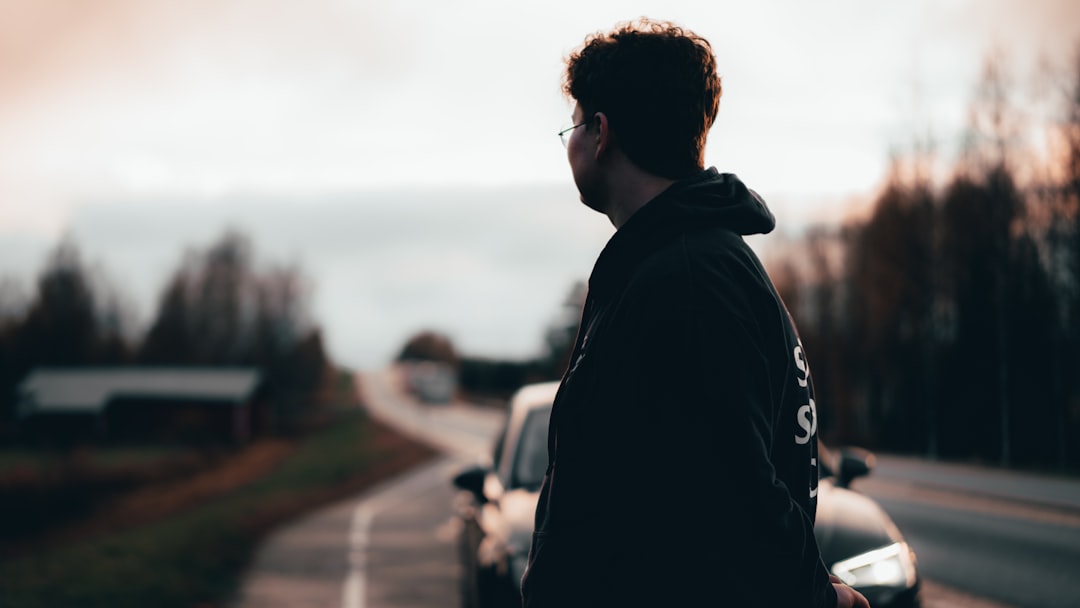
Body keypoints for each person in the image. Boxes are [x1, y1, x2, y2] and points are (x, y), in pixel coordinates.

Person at [521, 19, 871, 608]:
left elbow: (739, 489)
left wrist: (819, 599)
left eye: (575, 124)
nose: (572, 141)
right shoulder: (679, 263)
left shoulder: (686, 280)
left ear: (601, 133)